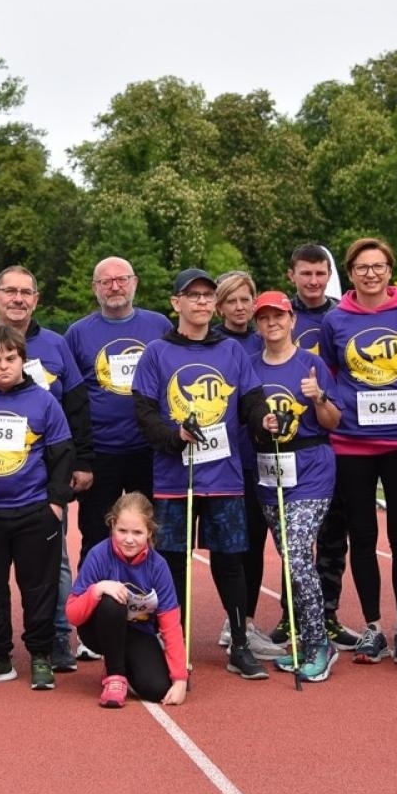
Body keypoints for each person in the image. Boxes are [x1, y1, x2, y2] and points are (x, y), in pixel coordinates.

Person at [0, 266, 94, 674]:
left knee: (50, 573)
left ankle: (52, 642)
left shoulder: (56, 347)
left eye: (25, 292)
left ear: (36, 298)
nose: (17, 298)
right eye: (9, 291)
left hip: (38, 495)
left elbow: (76, 409)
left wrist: (61, 490)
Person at [132, 268, 274, 681]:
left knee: (231, 562)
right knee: (173, 562)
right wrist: (174, 436)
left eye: (207, 296)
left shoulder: (230, 350)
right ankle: (172, 639)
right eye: (192, 296)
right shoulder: (157, 352)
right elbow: (143, 413)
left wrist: (263, 420)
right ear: (176, 302)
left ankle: (239, 642)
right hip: (175, 481)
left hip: (225, 478)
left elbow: (251, 401)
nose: (201, 303)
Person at [318, 237, 397, 664]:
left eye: (378, 266)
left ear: (390, 270)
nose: (371, 273)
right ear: (350, 274)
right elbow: (328, 374)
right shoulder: (336, 320)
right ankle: (372, 626)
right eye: (362, 267)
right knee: (362, 536)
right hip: (351, 443)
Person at [0, 324, 75, 689]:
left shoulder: (44, 401)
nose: (3, 366)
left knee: (39, 588)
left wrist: (55, 503)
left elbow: (62, 454)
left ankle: (41, 656)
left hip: (34, 513)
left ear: (23, 360)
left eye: (11, 359)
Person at [63, 257, 171, 590]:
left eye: (121, 279)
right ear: (95, 288)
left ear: (135, 283)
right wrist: (79, 457)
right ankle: (90, 615)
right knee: (96, 536)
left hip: (150, 453)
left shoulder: (160, 326)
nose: (114, 286)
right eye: (106, 281)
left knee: (150, 535)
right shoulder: (78, 333)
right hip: (101, 453)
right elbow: (71, 397)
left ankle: (152, 609)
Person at [248, 290, 341, 682]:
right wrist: (261, 422)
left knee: (300, 555)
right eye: (265, 318)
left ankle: (321, 643)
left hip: (312, 469)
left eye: (279, 317)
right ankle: (304, 640)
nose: (273, 324)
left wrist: (318, 397)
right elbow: (246, 416)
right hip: (270, 471)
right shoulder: (250, 367)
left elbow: (334, 420)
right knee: (290, 559)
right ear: (257, 325)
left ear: (292, 321)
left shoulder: (311, 363)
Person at [287, 243, 362, 653]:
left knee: (334, 536)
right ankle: (291, 615)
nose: (313, 281)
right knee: (290, 538)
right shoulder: (281, 316)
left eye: (320, 273)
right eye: (306, 274)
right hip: (290, 444)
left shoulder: (343, 314)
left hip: (339, 439)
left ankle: (327, 614)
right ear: (292, 275)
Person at [65, 493, 188, 707]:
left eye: (137, 532)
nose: (129, 539)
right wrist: (98, 589)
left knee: (156, 689)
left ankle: (124, 659)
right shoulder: (98, 555)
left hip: (138, 631)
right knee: (112, 602)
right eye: (122, 531)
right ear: (112, 525)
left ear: (149, 532)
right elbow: (73, 614)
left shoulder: (158, 567)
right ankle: (115, 676)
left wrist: (180, 679)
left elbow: (171, 625)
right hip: (98, 629)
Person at [214, 270, 275, 656]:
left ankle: (246, 621)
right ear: (219, 306)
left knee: (254, 543)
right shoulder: (211, 344)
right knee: (228, 546)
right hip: (221, 460)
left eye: (245, 299)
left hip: (260, 459)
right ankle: (231, 621)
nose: (239, 307)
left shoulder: (264, 340)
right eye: (231, 300)